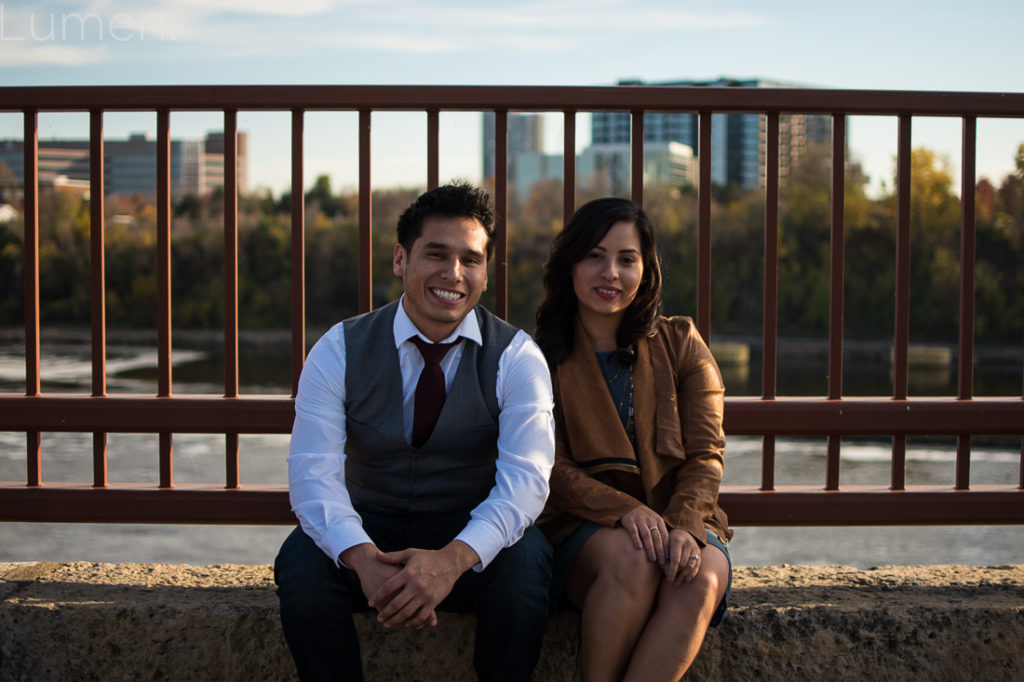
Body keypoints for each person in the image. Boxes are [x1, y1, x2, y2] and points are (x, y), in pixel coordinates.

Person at [274, 182, 556, 682]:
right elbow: (312, 474)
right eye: (436, 254)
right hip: (370, 531)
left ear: (485, 272)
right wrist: (362, 559)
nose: (453, 274)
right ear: (401, 259)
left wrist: (449, 563)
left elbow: (526, 485)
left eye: (471, 259)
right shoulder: (339, 348)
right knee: (300, 565)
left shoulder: (517, 357)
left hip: (470, 535)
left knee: (528, 563)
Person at [534, 197, 733, 681]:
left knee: (699, 574)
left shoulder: (681, 342)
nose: (611, 274)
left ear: (646, 269)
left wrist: (685, 524)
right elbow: (548, 467)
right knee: (635, 559)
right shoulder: (536, 356)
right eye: (595, 256)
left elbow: (706, 454)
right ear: (570, 264)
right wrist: (626, 511)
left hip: (679, 514)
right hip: (580, 524)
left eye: (627, 259)